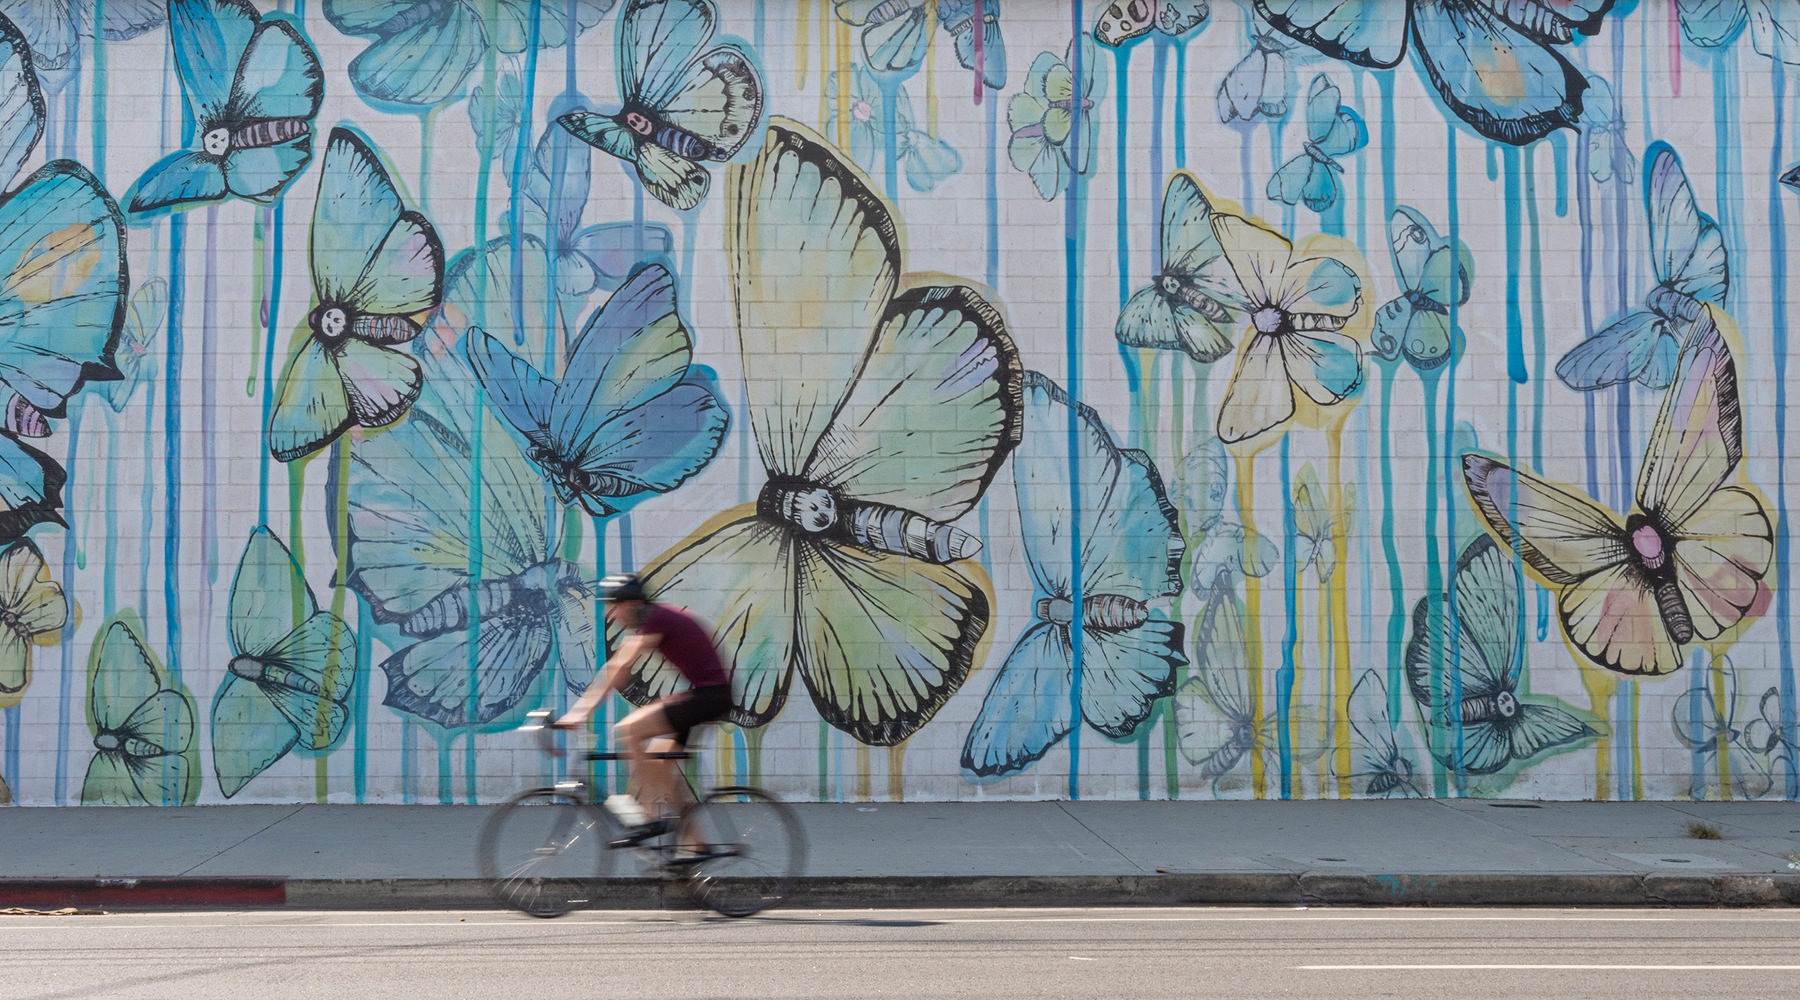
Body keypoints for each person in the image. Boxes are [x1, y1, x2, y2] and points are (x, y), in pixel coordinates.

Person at [553, 573, 732, 844]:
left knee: (628, 729)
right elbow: (620, 665)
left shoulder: (656, 619)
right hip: (706, 695)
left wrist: (579, 712)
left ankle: (648, 817)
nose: (612, 615)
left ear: (633, 603)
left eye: (614, 607)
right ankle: (695, 846)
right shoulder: (654, 619)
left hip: (710, 697)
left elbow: (619, 668)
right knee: (660, 764)